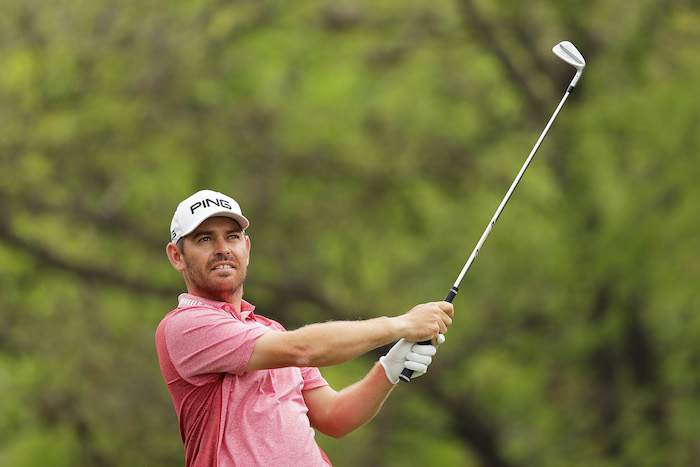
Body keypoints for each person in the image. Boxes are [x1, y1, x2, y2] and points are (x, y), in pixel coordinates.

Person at [155, 189, 454, 466]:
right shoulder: (184, 325)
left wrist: (389, 368)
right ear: (177, 256)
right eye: (205, 239)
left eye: (232, 237)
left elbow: (334, 417)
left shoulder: (272, 331)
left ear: (246, 247)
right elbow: (303, 349)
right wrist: (401, 325)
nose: (222, 249)